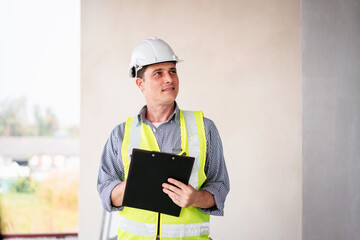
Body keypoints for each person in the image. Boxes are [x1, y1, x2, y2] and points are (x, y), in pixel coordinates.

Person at [97, 37, 230, 240]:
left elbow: (219, 187)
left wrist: (195, 198)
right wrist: (131, 185)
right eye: (158, 73)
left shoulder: (204, 128)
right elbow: (106, 192)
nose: (169, 79)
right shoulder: (121, 134)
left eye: (172, 71)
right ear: (140, 83)